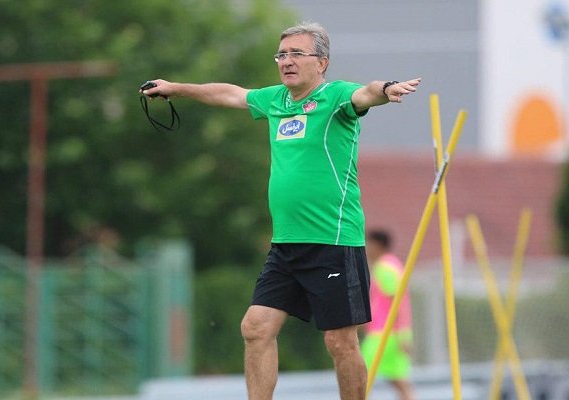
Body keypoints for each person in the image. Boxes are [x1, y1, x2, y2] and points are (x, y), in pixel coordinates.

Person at [142, 22, 421, 400]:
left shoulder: (335, 97)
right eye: (282, 55)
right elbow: (230, 93)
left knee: (340, 342)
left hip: (333, 241)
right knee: (256, 327)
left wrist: (386, 89)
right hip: (287, 245)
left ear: (321, 62)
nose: (286, 61)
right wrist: (176, 88)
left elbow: (366, 93)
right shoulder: (276, 100)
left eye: (296, 54)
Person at [362, 229, 415, 400]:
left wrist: (401, 334)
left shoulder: (384, 267)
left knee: (359, 372)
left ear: (378, 245)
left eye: (368, 244)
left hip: (384, 333)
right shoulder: (393, 264)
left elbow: (396, 301)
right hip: (392, 332)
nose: (366, 248)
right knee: (398, 380)